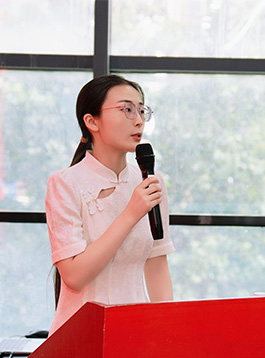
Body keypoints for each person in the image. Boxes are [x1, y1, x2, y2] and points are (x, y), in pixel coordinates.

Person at [45, 74, 175, 335]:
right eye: (126, 109)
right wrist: (131, 213)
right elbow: (74, 276)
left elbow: (157, 265)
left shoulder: (151, 180)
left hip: (136, 332)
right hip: (80, 335)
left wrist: (168, 331)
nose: (138, 120)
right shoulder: (65, 183)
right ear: (92, 121)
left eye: (141, 110)